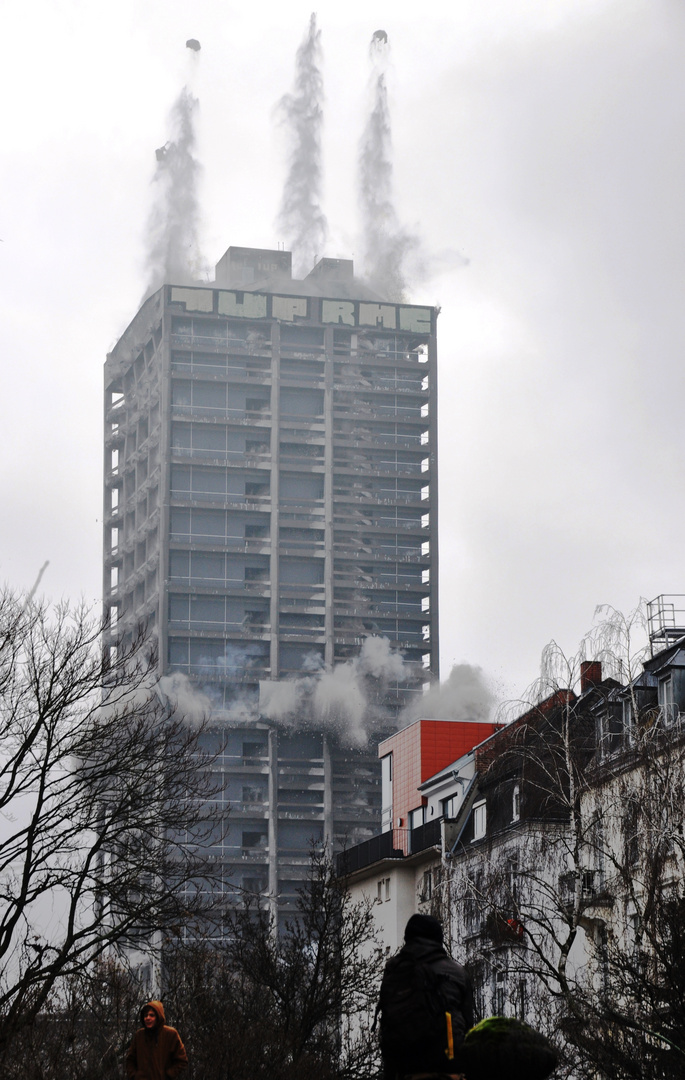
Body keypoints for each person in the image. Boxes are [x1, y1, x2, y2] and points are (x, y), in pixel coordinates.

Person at [378, 913, 474, 1080]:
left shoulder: (393, 970)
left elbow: (386, 1021)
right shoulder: (456, 972)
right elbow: (469, 1028)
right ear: (438, 939)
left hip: (405, 1069)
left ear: (408, 938)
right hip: (448, 1069)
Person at [125, 1000, 188, 1080]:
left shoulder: (170, 1034)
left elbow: (182, 1061)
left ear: (158, 1017)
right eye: (145, 1015)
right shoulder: (139, 1035)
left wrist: (168, 1075)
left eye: (152, 1015)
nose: (148, 1018)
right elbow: (130, 1059)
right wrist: (134, 1076)